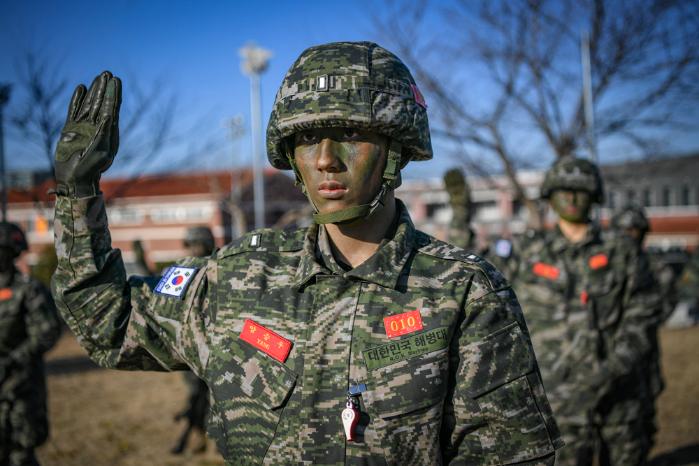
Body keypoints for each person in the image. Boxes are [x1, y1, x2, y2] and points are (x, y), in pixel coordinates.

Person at [50, 42, 562, 464]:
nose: (325, 160)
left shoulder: (463, 292)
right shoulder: (237, 279)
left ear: (396, 150)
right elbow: (109, 322)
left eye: (351, 134)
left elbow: (512, 455)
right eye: (308, 137)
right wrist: (78, 196)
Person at [504, 157, 658, 466]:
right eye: (564, 190)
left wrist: (609, 371)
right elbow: (504, 315)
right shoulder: (527, 254)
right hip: (558, 401)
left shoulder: (621, 251)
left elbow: (643, 316)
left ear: (596, 195)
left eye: (581, 191)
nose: (572, 198)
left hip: (619, 396)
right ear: (550, 195)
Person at [0, 222, 61, 466]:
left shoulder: (29, 290)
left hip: (19, 389)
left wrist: (13, 360)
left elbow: (47, 332)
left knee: (20, 455)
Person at [610, 204, 667, 456]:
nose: (630, 235)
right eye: (625, 230)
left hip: (643, 350)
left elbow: (664, 305)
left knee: (643, 413)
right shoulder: (605, 266)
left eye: (635, 230)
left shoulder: (654, 267)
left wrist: (638, 317)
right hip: (610, 350)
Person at [170, 226, 215, 455]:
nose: (195, 250)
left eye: (199, 244)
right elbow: (165, 305)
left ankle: (214, 439)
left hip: (214, 348)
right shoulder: (180, 270)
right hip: (188, 348)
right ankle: (198, 435)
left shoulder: (221, 268)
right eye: (191, 245)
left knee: (216, 398)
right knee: (194, 396)